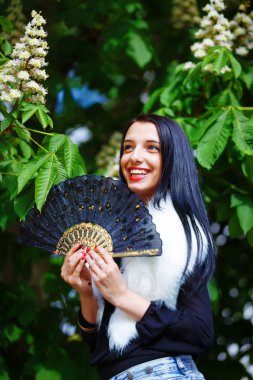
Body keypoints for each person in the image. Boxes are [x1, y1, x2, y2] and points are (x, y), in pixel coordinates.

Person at [61, 114, 215, 380]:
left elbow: (201, 333)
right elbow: (105, 348)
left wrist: (121, 295)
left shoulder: (180, 232)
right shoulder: (114, 230)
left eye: (151, 148)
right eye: (128, 147)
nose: (134, 157)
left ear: (172, 160)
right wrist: (87, 293)